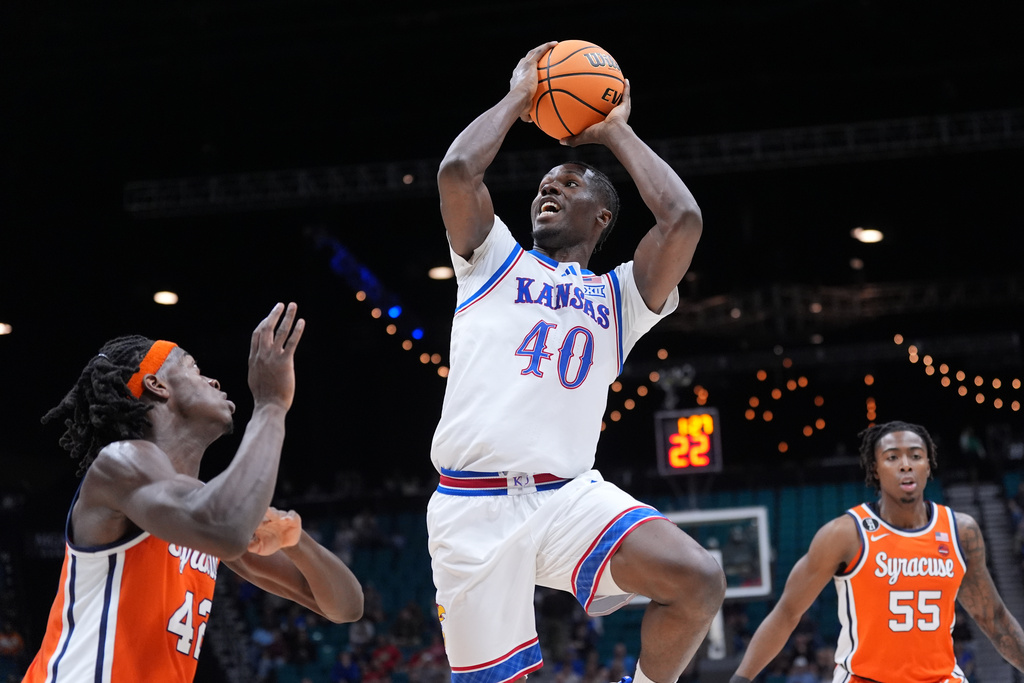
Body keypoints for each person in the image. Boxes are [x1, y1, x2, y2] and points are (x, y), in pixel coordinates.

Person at [428, 41, 725, 683]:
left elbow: (683, 219)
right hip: (473, 506)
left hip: (567, 497)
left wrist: (616, 130)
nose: (548, 189)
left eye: (568, 183)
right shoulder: (491, 259)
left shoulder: (620, 299)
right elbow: (458, 172)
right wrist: (517, 96)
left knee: (698, 578)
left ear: (603, 216)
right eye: (543, 185)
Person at [22, 303, 364, 683]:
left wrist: (297, 541)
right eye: (195, 370)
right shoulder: (120, 464)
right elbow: (224, 527)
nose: (215, 382)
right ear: (156, 384)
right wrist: (270, 406)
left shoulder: (201, 510)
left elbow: (345, 606)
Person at [730, 421, 1024, 683]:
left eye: (915, 455)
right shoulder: (844, 534)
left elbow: (993, 617)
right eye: (892, 457)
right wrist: (741, 678)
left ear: (928, 465)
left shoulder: (961, 531)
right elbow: (787, 613)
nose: (905, 464)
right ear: (874, 468)